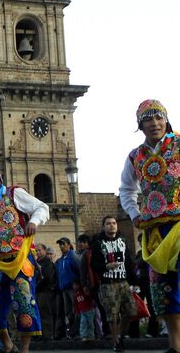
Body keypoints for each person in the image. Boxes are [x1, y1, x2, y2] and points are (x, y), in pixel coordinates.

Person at [119, 99, 180, 353]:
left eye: (158, 118)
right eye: (148, 119)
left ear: (166, 120)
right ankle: (175, 346)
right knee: (162, 290)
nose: (154, 123)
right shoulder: (136, 156)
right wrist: (133, 214)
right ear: (140, 125)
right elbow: (126, 190)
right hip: (154, 231)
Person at [0, 163, 49, 353]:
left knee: (23, 303)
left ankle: (24, 349)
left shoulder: (14, 194)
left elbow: (42, 207)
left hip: (20, 257)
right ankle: (7, 343)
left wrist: (33, 221)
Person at [90, 215, 137, 352]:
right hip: (108, 283)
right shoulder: (98, 244)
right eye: (108, 223)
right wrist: (106, 267)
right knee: (112, 315)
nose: (112, 225)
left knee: (131, 311)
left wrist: (134, 281)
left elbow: (128, 262)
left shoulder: (123, 241)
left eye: (114, 223)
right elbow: (94, 264)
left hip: (123, 282)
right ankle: (116, 342)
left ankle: (120, 335)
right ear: (103, 226)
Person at [54, 237, 80, 340]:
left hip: (72, 288)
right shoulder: (60, 260)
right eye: (60, 244)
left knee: (75, 310)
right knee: (68, 312)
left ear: (69, 245)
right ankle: (70, 332)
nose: (61, 246)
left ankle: (77, 332)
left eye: (63, 244)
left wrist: (77, 282)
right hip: (63, 289)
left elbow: (79, 270)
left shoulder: (73, 257)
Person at [35, 243, 56, 340]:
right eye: (36, 251)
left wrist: (36, 285)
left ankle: (47, 335)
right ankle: (40, 334)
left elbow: (46, 277)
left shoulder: (47, 262)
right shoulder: (36, 262)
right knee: (38, 313)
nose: (38, 252)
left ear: (44, 251)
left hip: (45, 291)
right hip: (37, 292)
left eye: (39, 250)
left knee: (45, 313)